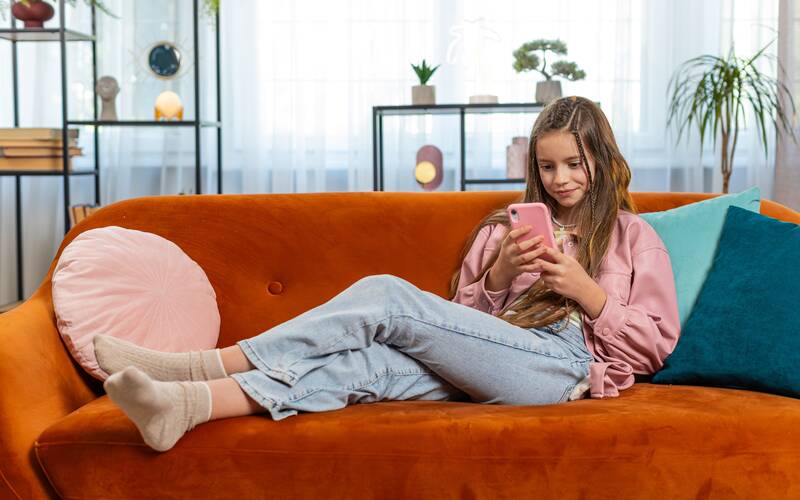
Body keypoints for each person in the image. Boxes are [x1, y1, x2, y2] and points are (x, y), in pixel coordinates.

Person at [95, 96, 680, 452]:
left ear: (601, 160)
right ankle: (186, 407)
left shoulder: (634, 238)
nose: (560, 178)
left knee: (387, 297)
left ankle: (202, 364)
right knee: (364, 365)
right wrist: (500, 273)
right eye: (547, 165)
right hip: (498, 362)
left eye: (574, 163)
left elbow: (655, 349)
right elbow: (463, 332)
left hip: (562, 369)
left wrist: (589, 294)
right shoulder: (504, 228)